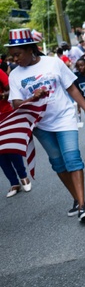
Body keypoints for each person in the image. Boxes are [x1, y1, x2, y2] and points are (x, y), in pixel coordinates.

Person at [6, 28, 85, 221]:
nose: (14, 59)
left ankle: (83, 206)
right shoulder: (14, 75)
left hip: (64, 117)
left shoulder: (54, 63)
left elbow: (71, 88)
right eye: (12, 56)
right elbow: (15, 104)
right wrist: (32, 97)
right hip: (40, 125)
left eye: (17, 54)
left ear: (30, 49)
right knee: (58, 163)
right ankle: (76, 198)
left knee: (72, 158)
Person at [0, 62, 32, 198]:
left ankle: (23, 176)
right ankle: (14, 183)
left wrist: (1, 96)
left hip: (4, 113)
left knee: (11, 147)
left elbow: (10, 90)